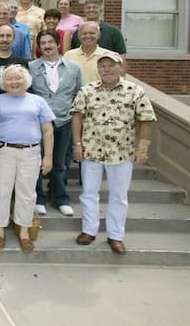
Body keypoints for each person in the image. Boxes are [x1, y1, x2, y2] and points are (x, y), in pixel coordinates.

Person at [71, 52, 155, 254]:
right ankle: (88, 231)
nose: (107, 69)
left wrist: (142, 150)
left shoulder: (135, 91)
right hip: (92, 151)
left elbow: (145, 120)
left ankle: (115, 235)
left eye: (111, 65)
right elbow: (77, 118)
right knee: (89, 193)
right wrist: (77, 144)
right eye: (103, 66)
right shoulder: (87, 90)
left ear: (121, 67)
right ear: (98, 70)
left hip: (122, 152)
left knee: (119, 196)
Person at [0, 65, 55, 252]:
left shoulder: (37, 101)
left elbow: (48, 130)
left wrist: (48, 156)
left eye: (18, 78)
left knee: (27, 192)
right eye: (9, 79)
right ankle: (0, 229)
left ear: (26, 80)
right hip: (4, 151)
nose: (14, 82)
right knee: (1, 190)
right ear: (2, 82)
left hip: (30, 153)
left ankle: (24, 230)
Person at [29, 29, 83, 216]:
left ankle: (59, 197)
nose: (47, 46)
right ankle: (38, 198)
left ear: (58, 43)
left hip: (64, 120)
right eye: (43, 43)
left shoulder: (73, 68)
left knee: (60, 162)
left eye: (50, 42)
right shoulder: (32, 67)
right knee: (37, 161)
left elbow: (78, 92)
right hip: (39, 123)